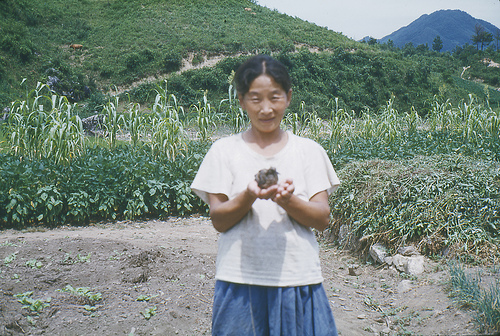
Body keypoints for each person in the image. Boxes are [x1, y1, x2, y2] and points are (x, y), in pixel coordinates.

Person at [191, 54, 340, 336]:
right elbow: (219, 220)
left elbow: (322, 218)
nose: (266, 108)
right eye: (255, 98)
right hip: (239, 280)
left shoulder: (309, 151)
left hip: (297, 278)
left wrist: (287, 201)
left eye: (275, 97)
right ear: (241, 100)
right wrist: (248, 196)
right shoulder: (223, 152)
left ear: (289, 96)